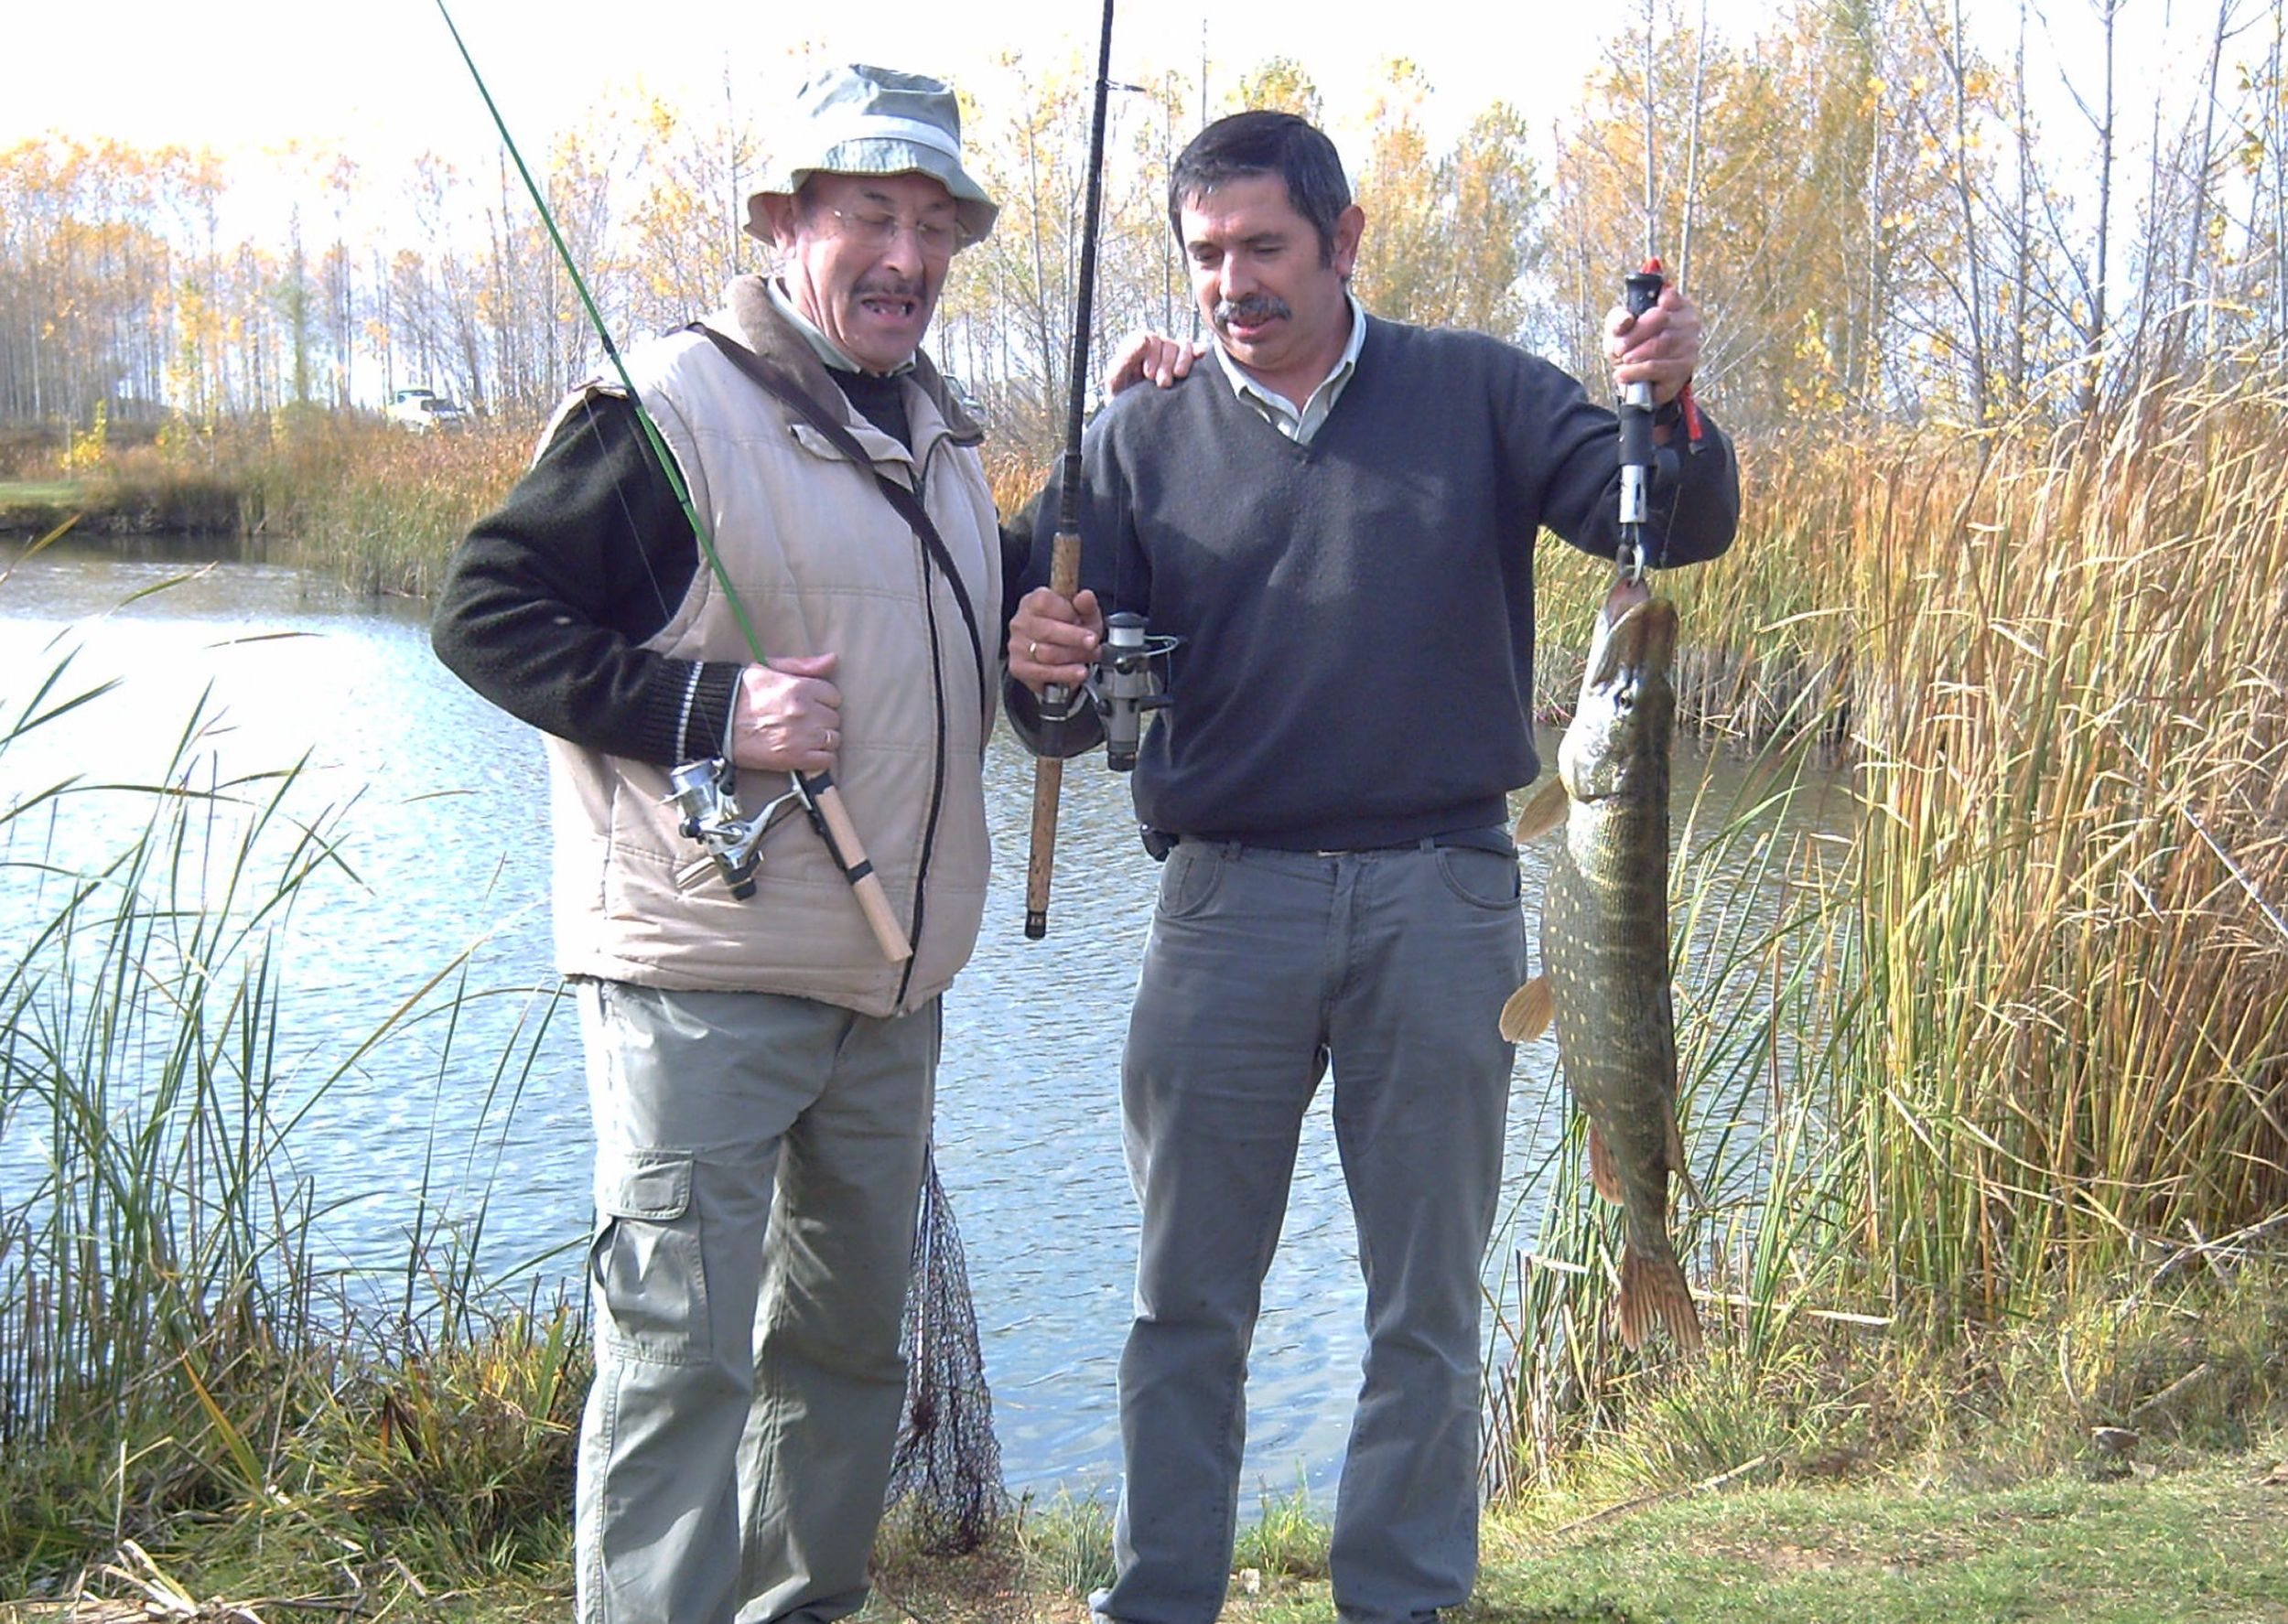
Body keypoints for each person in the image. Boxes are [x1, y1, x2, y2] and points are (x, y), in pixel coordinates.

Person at [1007, 111, 1741, 1624]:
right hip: (1225, 903)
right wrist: (1044, 668)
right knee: (1182, 1302)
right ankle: (1160, 1600)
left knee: (1425, 1304)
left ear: (1343, 240)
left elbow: (1669, 522)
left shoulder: (1478, 390)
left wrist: (1667, 402)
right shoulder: (1134, 440)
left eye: (1264, 247)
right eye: (1207, 254)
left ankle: (1401, 1598)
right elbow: (1055, 706)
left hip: (1444, 892)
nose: (1232, 283)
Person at [431, 63, 1014, 1624]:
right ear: (783, 223)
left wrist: (1038, 645)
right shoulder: (674, 409)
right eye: (870, 216)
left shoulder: (941, 436)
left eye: (934, 225)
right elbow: (484, 613)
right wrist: (714, 708)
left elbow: (949, 665)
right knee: (681, 1358)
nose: (906, 257)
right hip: (702, 980)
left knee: (845, 1352)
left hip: (889, 987)